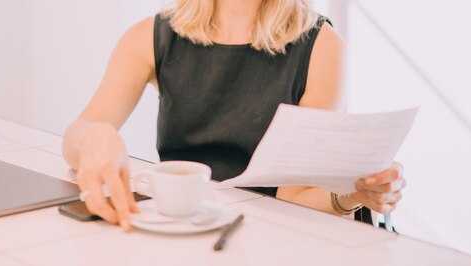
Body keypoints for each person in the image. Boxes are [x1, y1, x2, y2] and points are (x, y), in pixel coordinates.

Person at [62, 0, 406, 232]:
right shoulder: (148, 37)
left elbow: (295, 194)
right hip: (186, 228)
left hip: (275, 237)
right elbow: (78, 135)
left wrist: (354, 195)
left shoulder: (322, 46)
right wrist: (95, 137)